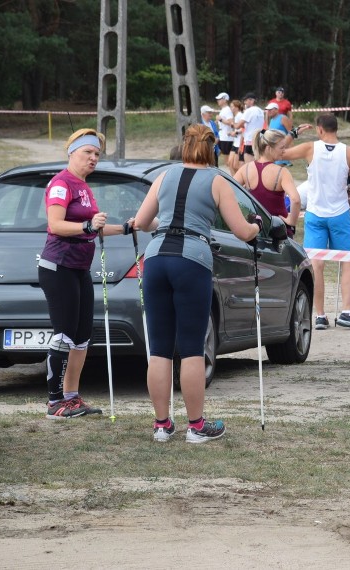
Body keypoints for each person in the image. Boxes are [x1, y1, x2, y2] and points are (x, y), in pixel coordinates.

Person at [134, 124, 261, 443]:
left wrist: (163, 224)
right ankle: (196, 425)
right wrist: (258, 224)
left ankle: (161, 425)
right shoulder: (217, 180)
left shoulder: (164, 176)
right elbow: (242, 232)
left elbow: (140, 222)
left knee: (160, 348)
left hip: (157, 257)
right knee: (191, 346)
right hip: (191, 260)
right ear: (212, 149)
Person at [39, 128, 134, 419]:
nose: (93, 158)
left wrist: (128, 228)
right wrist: (86, 227)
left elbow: (95, 226)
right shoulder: (61, 183)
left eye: (97, 154)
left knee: (81, 337)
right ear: (72, 153)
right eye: (87, 153)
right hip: (59, 268)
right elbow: (56, 224)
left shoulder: (84, 186)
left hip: (80, 268)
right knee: (64, 335)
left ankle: (72, 397)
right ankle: (55, 402)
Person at [282, 113, 350, 330]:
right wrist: (347, 189)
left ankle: (320, 315)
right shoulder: (348, 152)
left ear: (319, 129)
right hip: (340, 212)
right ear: (337, 129)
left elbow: (280, 151)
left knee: (317, 265)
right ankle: (347, 311)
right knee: (348, 261)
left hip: (315, 213)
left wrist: (293, 133)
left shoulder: (310, 148)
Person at [233, 128, 301, 233]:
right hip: (278, 229)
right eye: (281, 148)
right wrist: (292, 221)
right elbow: (296, 199)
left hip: (255, 229)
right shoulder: (282, 172)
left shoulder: (245, 169)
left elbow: (228, 190)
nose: (284, 151)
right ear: (269, 148)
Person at [265, 101, 293, 167]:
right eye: (268, 110)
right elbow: (268, 131)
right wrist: (260, 133)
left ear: (276, 110)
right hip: (274, 149)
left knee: (278, 171)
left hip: (282, 149)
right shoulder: (271, 120)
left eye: (270, 110)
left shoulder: (283, 118)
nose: (268, 112)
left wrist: (291, 150)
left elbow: (291, 133)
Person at [240, 92, 265, 165]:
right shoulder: (260, 111)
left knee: (249, 166)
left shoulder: (249, 111)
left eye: (246, 100)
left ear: (251, 100)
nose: (245, 102)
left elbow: (237, 126)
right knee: (258, 164)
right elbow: (264, 126)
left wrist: (230, 123)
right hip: (258, 140)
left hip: (249, 141)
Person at [214, 92, 236, 171]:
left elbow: (231, 122)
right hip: (222, 136)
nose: (218, 101)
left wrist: (220, 119)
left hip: (226, 137)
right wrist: (218, 121)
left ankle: (231, 177)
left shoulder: (227, 110)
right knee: (219, 154)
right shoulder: (224, 110)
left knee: (227, 161)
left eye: (219, 99)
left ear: (224, 100)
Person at [228, 99, 245, 173]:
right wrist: (233, 132)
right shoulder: (236, 116)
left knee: (235, 166)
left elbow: (243, 128)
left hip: (239, 143)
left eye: (232, 106)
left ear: (237, 108)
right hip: (235, 143)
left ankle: (238, 182)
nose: (230, 108)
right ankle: (234, 181)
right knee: (230, 163)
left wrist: (236, 133)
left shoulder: (240, 115)